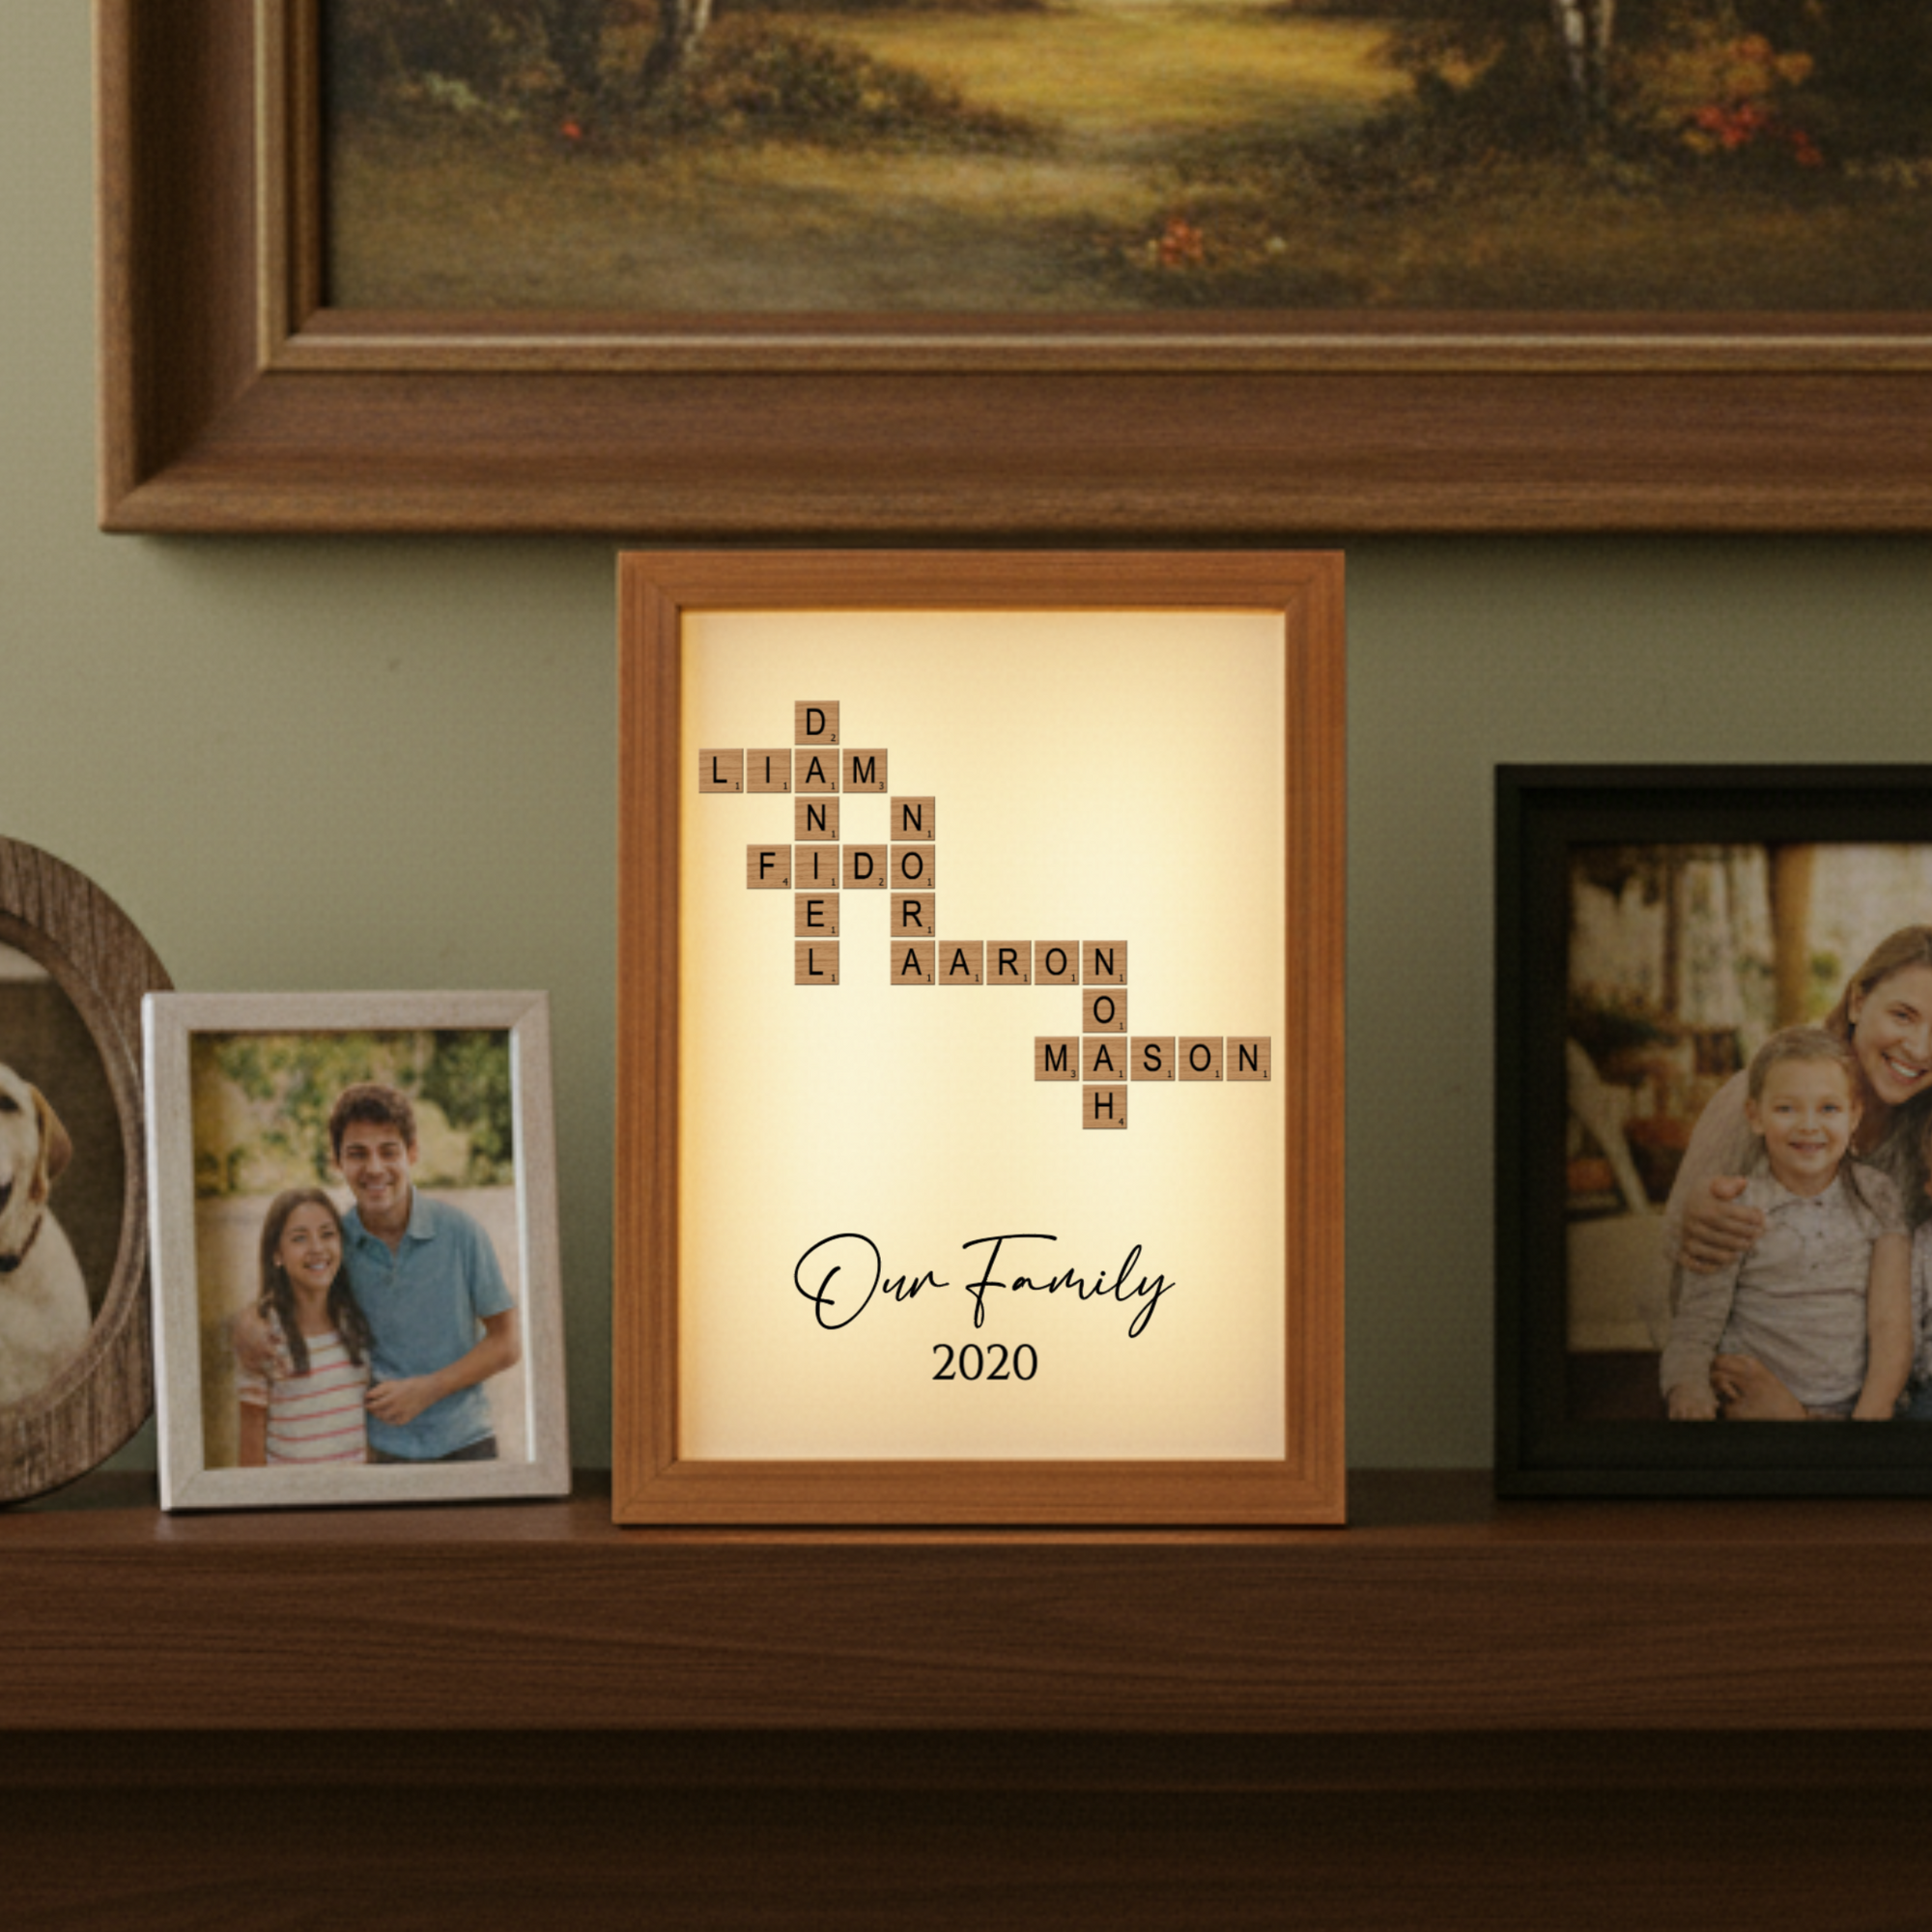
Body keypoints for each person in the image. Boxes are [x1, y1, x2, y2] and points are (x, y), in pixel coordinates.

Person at [1664, 925, 1932, 1420]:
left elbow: (1896, 1321)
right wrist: (1697, 1214)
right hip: (1753, 1381)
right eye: (1902, 1014)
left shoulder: (1922, 1135)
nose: (1920, 1047)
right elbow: (1683, 1293)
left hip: (1874, 1394)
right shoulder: (1760, 1095)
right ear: (1857, 1002)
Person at [234, 1082, 520, 1463]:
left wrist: (429, 1389)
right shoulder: (338, 1243)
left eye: (388, 1151)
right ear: (337, 1162)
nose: (374, 1168)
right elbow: (294, 1285)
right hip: (384, 1451)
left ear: (412, 1152)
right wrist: (246, 1320)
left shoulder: (461, 1233)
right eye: (357, 1154)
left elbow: (507, 1343)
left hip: (466, 1441)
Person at [236, 1188, 375, 1466]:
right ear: (277, 1254)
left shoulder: (355, 1321)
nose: (317, 1248)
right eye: (300, 1238)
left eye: (327, 1234)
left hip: (355, 1497)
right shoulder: (265, 1336)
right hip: (293, 1500)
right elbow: (251, 1449)